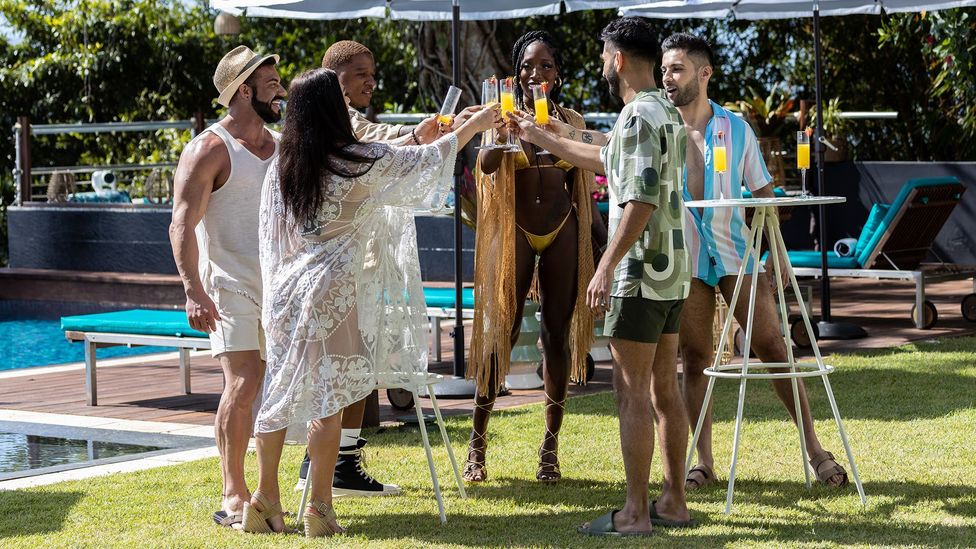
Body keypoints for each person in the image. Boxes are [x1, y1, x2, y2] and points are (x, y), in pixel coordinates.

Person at [243, 68, 500, 537]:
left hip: (285, 292)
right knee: (330, 402)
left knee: (278, 393)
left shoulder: (283, 166)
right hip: (331, 291)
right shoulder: (354, 160)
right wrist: (475, 125)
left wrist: (425, 132)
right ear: (333, 110)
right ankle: (319, 507)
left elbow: (269, 239)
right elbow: (427, 161)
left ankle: (263, 499)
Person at [513, 17, 695, 535]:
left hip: (639, 274)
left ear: (617, 59)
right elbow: (605, 157)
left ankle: (635, 513)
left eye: (602, 58)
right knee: (664, 388)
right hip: (672, 270)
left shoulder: (637, 116)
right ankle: (673, 502)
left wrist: (607, 265)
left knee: (631, 392)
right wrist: (540, 134)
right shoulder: (664, 110)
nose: (600, 68)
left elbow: (639, 200)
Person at [660, 32, 849, 490]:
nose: (667, 77)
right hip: (685, 257)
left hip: (736, 253)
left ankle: (816, 451)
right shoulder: (658, 129)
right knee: (695, 358)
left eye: (676, 69)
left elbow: (764, 194)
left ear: (704, 73)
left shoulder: (736, 129)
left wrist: (776, 252)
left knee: (773, 348)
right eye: (664, 69)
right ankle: (703, 462)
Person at [288, 39, 447, 499]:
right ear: (334, 80)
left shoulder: (328, 125)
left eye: (372, 73)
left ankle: (336, 464)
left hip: (354, 267)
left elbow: (381, 138)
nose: (371, 82)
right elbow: (376, 148)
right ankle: (329, 467)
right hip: (341, 270)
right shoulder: (334, 127)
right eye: (360, 74)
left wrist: (425, 133)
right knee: (346, 369)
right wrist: (429, 136)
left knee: (358, 366)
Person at [463, 30, 595, 485]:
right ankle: (477, 443)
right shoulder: (502, 114)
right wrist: (500, 136)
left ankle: (549, 449)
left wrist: (599, 245)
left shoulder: (569, 121)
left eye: (545, 66)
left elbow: (583, 183)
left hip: (563, 230)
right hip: (516, 230)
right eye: (527, 66)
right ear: (516, 72)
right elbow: (485, 167)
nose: (535, 73)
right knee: (503, 332)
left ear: (558, 75)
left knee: (556, 336)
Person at [169, 45, 285, 530]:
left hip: (279, 284)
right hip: (227, 283)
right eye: (271, 84)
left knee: (271, 385)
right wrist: (193, 290)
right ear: (243, 91)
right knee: (243, 381)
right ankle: (232, 492)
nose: (281, 90)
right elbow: (181, 223)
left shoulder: (282, 146)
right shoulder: (209, 149)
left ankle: (265, 492)